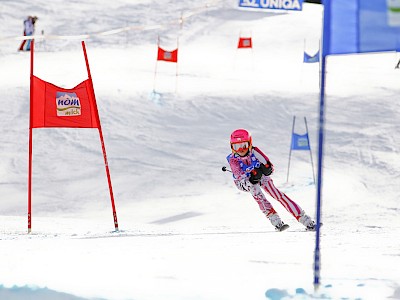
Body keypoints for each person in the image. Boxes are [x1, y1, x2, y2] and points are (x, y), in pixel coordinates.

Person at [226, 128, 316, 231]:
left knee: (276, 194)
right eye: (236, 147)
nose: (241, 150)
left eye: (244, 146)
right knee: (258, 194)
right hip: (244, 182)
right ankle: (276, 221)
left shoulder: (255, 152)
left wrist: (267, 169)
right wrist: (251, 180)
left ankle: (305, 219)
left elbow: (269, 165)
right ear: (232, 147)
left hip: (259, 174)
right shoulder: (233, 160)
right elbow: (240, 178)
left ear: (250, 143)